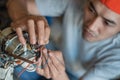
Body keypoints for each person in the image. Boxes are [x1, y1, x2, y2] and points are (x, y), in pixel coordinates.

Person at [7, 0, 120, 80]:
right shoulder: (77, 2)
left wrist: (59, 76)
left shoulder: (117, 58)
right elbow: (16, 2)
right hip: (54, 52)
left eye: (107, 23)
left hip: (79, 76)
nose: (91, 27)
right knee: (12, 61)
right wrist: (23, 17)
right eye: (91, 10)